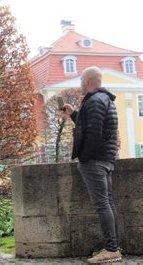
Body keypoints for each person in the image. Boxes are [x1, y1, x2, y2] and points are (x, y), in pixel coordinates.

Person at [62, 66, 120, 264]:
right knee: (108, 203)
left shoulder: (94, 100)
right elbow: (91, 125)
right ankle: (114, 246)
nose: (79, 85)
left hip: (95, 161)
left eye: (80, 81)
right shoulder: (104, 99)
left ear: (87, 81)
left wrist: (83, 157)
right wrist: (73, 114)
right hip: (106, 159)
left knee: (102, 204)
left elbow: (93, 134)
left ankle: (111, 249)